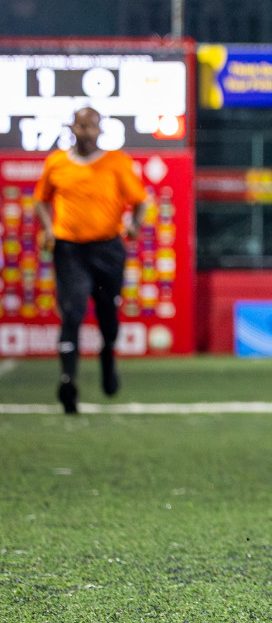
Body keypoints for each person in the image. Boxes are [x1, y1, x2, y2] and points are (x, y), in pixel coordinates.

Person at [34, 107, 148, 414]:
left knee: (108, 314)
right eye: (80, 125)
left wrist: (135, 226)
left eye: (91, 126)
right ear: (72, 128)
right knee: (71, 313)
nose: (85, 132)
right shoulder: (56, 162)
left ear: (100, 130)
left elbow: (140, 201)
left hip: (107, 249)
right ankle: (68, 381)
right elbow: (41, 200)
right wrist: (48, 228)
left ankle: (107, 354)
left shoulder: (117, 162)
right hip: (69, 249)